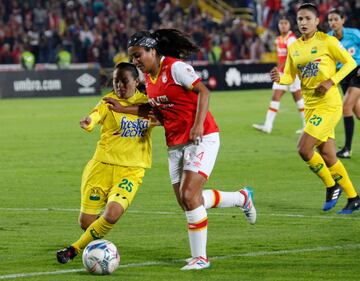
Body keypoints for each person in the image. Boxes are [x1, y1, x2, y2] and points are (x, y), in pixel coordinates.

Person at [109, 29, 257, 270]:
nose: (135, 61)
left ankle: (200, 258)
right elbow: (154, 112)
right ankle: (241, 198)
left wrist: (198, 125)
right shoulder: (148, 79)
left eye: (138, 56)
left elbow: (204, 92)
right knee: (187, 201)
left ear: (152, 51)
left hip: (203, 137)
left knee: (190, 196)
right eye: (132, 57)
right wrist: (121, 109)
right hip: (175, 144)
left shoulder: (175, 68)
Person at [56, 62, 154, 264]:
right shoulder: (108, 101)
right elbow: (95, 114)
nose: (119, 86)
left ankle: (73, 249)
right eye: (116, 81)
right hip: (100, 167)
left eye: (124, 81)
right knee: (86, 223)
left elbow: (164, 116)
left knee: (113, 212)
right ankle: (95, 240)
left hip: (131, 170)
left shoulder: (147, 104)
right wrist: (89, 121)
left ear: (136, 81)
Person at [270, 3, 360, 214]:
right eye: (300, 19)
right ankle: (354, 198)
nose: (303, 22)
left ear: (317, 21)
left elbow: (349, 63)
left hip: (328, 104)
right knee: (328, 155)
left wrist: (332, 81)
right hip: (310, 105)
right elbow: (290, 76)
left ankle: (331, 185)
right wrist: (279, 77)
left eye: (307, 18)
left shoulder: (327, 41)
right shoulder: (294, 47)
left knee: (303, 148)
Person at [253, 16, 305, 134]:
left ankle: (306, 126)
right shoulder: (279, 39)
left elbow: (292, 57)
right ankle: (267, 125)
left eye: (285, 23)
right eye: (281, 23)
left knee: (297, 98)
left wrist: (280, 68)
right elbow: (280, 57)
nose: (283, 25)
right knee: (277, 97)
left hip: (291, 73)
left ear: (289, 25)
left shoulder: (291, 39)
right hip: (282, 72)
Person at [327, 8, 360, 158]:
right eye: (330, 20)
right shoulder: (328, 38)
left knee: (346, 107)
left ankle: (347, 149)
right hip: (342, 76)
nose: (333, 23)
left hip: (357, 72)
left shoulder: (354, 34)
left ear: (343, 20)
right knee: (357, 112)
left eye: (335, 19)